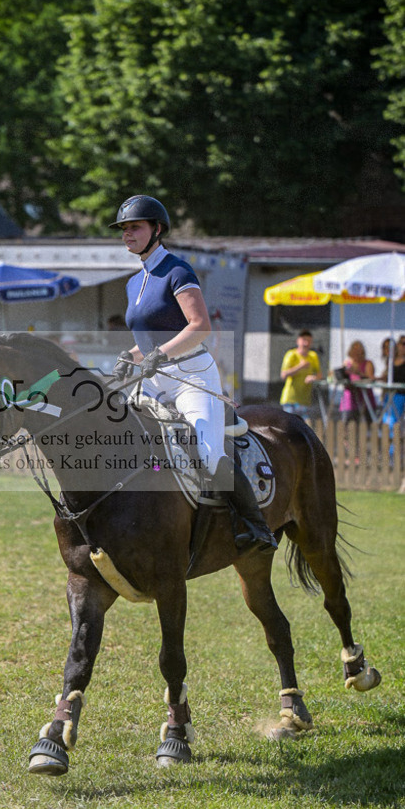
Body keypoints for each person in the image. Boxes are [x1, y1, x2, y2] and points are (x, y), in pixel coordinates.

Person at [108, 193, 277, 553]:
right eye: (123, 229)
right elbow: (153, 337)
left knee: (208, 452)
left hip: (192, 378)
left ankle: (256, 527)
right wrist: (131, 355)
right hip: (153, 380)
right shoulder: (133, 281)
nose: (127, 234)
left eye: (134, 227)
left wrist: (158, 353)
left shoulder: (177, 270)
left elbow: (199, 327)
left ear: (157, 229)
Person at [279, 330, 322, 421]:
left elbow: (319, 374)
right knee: (290, 427)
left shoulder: (313, 356)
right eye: (304, 340)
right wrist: (300, 367)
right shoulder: (291, 355)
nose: (306, 343)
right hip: (290, 400)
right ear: (298, 341)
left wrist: (313, 377)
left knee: (304, 429)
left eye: (309, 341)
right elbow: (283, 375)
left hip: (305, 400)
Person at [338, 340, 376, 425]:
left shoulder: (368, 363)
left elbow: (371, 378)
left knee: (367, 424)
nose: (356, 352)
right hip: (350, 398)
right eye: (354, 349)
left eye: (359, 350)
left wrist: (358, 372)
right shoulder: (347, 363)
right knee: (348, 424)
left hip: (365, 398)